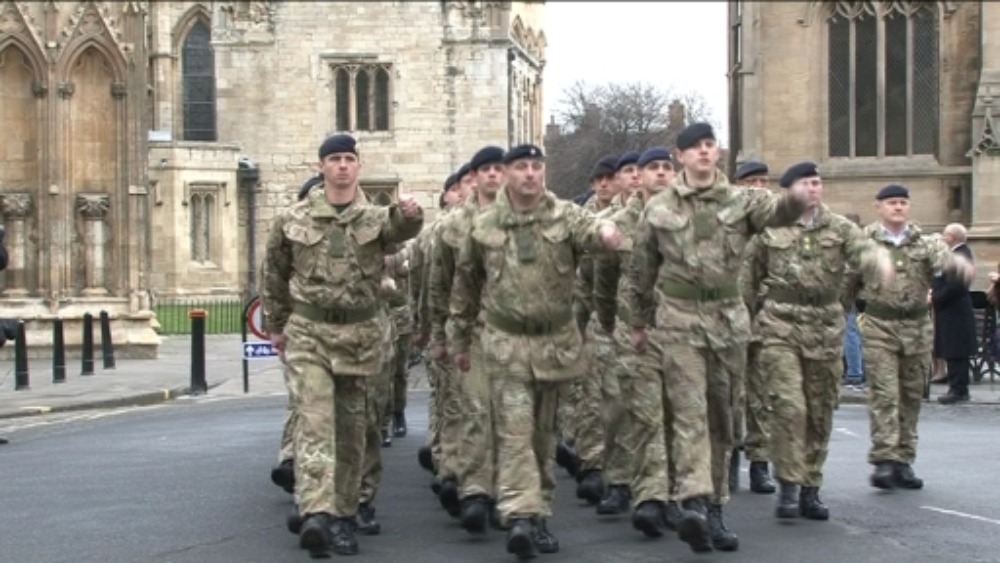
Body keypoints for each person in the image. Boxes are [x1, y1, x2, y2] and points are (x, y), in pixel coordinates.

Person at [626, 122, 810, 553]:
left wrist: (796, 199)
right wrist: (638, 323)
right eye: (695, 147)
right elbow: (641, 271)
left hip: (727, 323)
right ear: (681, 156)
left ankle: (714, 510)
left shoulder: (741, 201)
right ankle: (693, 500)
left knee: (722, 419)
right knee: (689, 412)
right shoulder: (659, 208)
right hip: (679, 321)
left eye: (710, 145)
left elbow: (777, 214)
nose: (705, 152)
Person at [449, 144, 621, 559]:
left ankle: (539, 513)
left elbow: (592, 230)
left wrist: (606, 234)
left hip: (554, 346)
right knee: (515, 429)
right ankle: (520, 516)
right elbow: (466, 285)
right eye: (522, 167)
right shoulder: (484, 224)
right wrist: (458, 340)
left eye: (536, 166)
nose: (530, 173)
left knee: (543, 436)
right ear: (508, 174)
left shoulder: (565, 215)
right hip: (505, 345)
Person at [260, 133, 423, 557]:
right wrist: (276, 325)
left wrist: (411, 213)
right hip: (310, 335)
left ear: (358, 166)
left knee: (353, 430)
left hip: (360, 340)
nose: (342, 166)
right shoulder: (293, 219)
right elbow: (273, 273)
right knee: (315, 422)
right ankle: (316, 512)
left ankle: (345, 515)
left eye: (349, 158)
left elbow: (401, 230)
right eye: (334, 159)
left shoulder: (375, 218)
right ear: (321, 167)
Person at [741, 162, 892, 521]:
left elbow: (863, 252)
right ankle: (789, 484)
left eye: (817, 182)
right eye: (806, 183)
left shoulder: (840, 228)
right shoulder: (769, 228)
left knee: (819, 410)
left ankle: (811, 485)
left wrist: (880, 265)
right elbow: (748, 278)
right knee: (788, 406)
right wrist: (742, 322)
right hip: (779, 326)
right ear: (789, 190)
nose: (813, 188)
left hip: (824, 329)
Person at [845, 184, 974, 491]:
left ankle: (904, 459)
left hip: (916, 328)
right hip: (880, 326)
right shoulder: (864, 243)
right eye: (892, 202)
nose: (898, 207)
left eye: (903, 202)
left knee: (911, 395)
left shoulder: (925, 243)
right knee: (885, 393)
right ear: (878, 207)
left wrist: (960, 267)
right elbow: (847, 282)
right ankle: (885, 459)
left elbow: (946, 262)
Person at [595, 146, 684, 536]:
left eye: (667, 167)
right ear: (639, 176)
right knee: (634, 412)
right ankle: (640, 492)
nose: (661, 173)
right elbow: (600, 281)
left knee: (676, 415)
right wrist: (609, 325)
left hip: (680, 330)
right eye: (652, 168)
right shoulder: (617, 224)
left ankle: (671, 494)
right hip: (633, 331)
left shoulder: (688, 220)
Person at [428, 145, 506, 533]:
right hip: (471, 331)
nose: (493, 175)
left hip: (516, 335)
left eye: (499, 168)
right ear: (474, 178)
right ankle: (475, 489)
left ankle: (509, 496)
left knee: (511, 416)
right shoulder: (454, 226)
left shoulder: (526, 219)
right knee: (474, 409)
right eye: (485, 169)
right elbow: (439, 284)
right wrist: (440, 336)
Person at [571, 154, 622, 506]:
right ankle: (592, 465)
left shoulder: (627, 219)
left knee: (620, 399)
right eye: (598, 179)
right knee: (592, 396)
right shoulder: (582, 219)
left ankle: (620, 471)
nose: (604, 184)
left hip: (625, 317)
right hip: (590, 314)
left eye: (609, 178)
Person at [731, 159, 777, 495]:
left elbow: (782, 271)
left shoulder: (773, 228)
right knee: (727, 396)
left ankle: (760, 462)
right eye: (752, 182)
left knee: (760, 395)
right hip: (725, 322)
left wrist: (764, 298)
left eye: (763, 182)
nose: (759, 188)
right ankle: (729, 458)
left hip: (761, 321)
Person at [933, 223, 976, 404]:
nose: (943, 238)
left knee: (957, 350)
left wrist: (934, 298)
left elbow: (955, 286)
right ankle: (955, 387)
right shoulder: (956, 254)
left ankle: (958, 389)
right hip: (951, 310)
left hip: (955, 311)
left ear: (952, 237)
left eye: (945, 235)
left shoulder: (960, 255)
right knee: (952, 349)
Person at [843, 213, 866, 388]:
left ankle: (854, 373)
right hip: (856, 297)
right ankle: (856, 371)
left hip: (848, 298)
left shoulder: (854, 248)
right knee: (856, 334)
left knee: (850, 334)